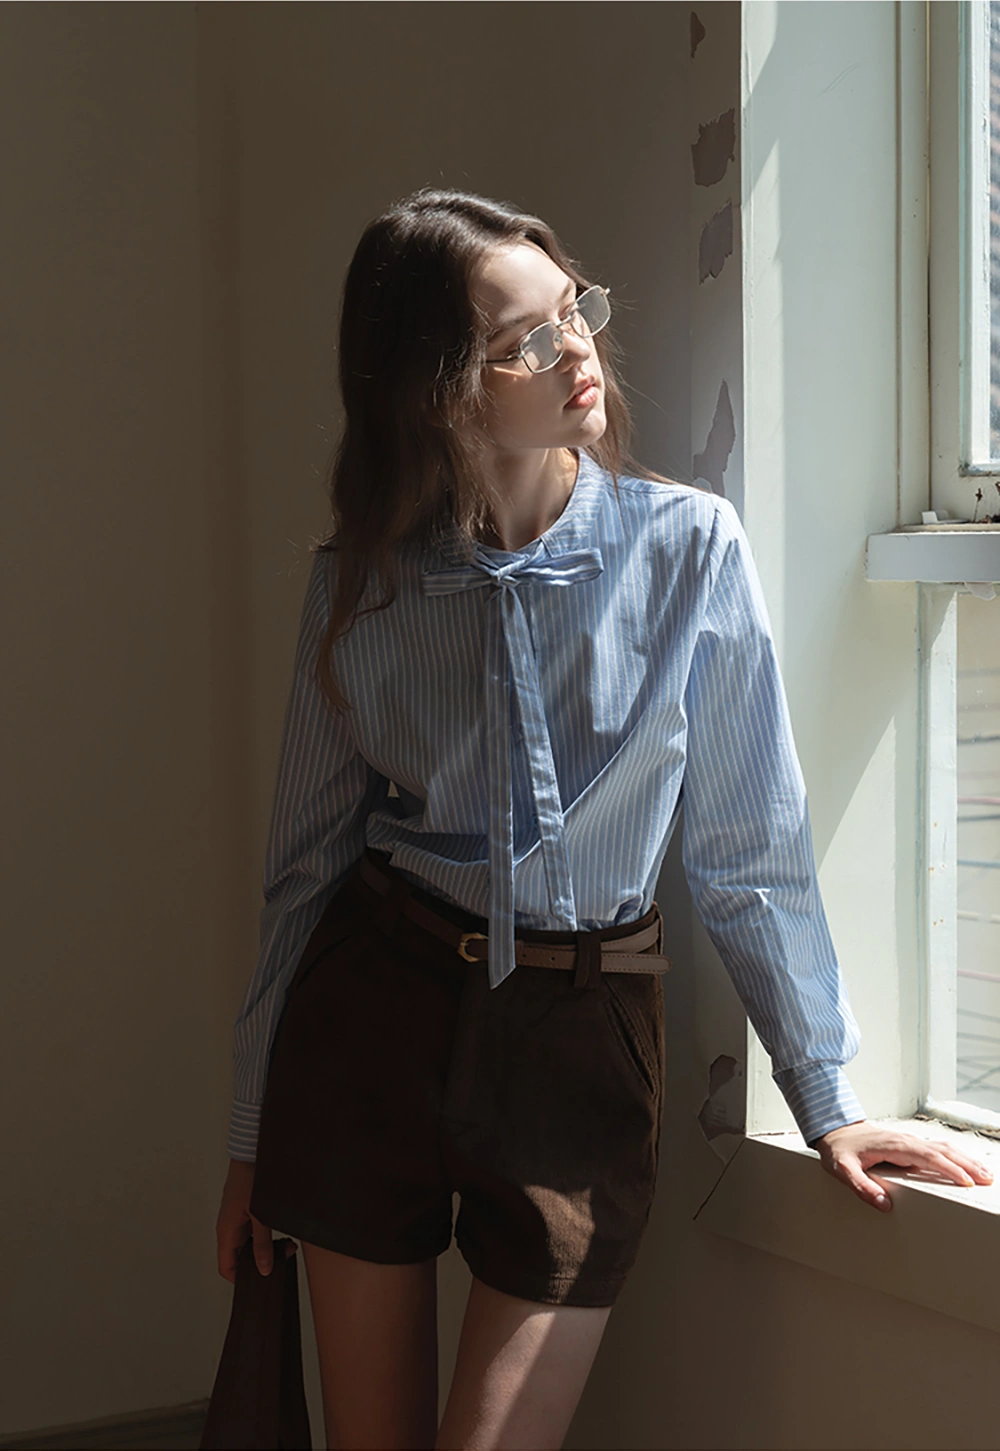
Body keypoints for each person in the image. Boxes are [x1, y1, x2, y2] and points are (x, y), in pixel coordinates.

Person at [215, 187, 993, 1451]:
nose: (576, 350)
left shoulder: (688, 547)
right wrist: (251, 1136)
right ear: (435, 391)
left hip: (577, 1042)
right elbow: (302, 875)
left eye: (572, 310)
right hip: (371, 1027)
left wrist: (827, 1091)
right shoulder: (356, 583)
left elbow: (751, 848)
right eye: (522, 340)